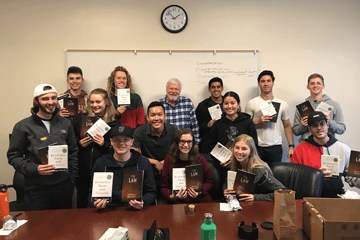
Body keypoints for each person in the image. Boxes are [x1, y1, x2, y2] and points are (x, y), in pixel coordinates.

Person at [7, 84, 78, 210]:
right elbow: (13, 157)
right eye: (45, 99)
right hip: (36, 189)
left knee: (64, 226)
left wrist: (71, 180)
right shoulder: (23, 126)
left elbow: (73, 152)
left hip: (63, 188)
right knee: (37, 228)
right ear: (36, 101)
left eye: (53, 98)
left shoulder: (65, 123)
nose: (51, 102)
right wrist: (35, 168)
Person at [291, 111, 359, 197]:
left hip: (335, 196)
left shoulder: (344, 149)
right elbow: (293, 180)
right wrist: (315, 176)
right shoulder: (300, 150)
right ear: (309, 128)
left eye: (322, 124)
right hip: (309, 197)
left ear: (327, 124)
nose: (319, 128)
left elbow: (353, 178)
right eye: (314, 125)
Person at [71, 88, 118, 208]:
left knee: (101, 204)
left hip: (103, 172)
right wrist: (79, 144)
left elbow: (119, 146)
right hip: (82, 171)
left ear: (106, 102)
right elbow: (69, 140)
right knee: (82, 203)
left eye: (98, 102)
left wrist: (105, 144)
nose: (94, 105)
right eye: (92, 102)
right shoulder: (80, 118)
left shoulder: (114, 121)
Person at [90, 125, 157, 209]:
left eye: (125, 140)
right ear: (111, 141)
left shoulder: (143, 162)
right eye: (116, 139)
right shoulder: (100, 163)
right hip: (109, 211)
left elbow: (152, 192)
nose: (121, 143)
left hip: (135, 210)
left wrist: (143, 201)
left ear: (132, 142)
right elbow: (91, 195)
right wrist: (96, 203)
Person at [209, 91, 258, 186]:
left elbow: (254, 145)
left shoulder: (248, 122)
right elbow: (211, 146)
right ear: (222, 105)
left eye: (232, 103)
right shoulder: (217, 124)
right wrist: (220, 161)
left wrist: (237, 160)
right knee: (226, 192)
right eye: (226, 103)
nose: (229, 106)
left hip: (245, 167)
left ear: (238, 104)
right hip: (223, 168)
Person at [245, 70, 294, 164]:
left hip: (275, 147)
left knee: (274, 175)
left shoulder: (282, 104)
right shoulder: (252, 103)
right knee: (257, 175)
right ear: (259, 84)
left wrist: (291, 146)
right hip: (256, 146)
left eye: (268, 81)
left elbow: (287, 125)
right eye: (262, 81)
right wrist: (258, 121)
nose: (266, 84)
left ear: (273, 83)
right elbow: (245, 125)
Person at [224, 134, 285, 201]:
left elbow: (283, 193)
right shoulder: (235, 165)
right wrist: (226, 192)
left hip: (259, 207)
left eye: (244, 149)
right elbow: (227, 185)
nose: (239, 152)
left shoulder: (260, 170)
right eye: (237, 148)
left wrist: (256, 197)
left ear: (251, 151)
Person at [132, 101, 177, 191]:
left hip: (169, 167)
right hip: (147, 168)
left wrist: (163, 163)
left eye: (159, 115)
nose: (156, 118)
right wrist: (155, 162)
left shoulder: (173, 129)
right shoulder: (140, 131)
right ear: (147, 117)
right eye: (152, 115)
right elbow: (133, 154)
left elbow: (177, 151)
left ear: (165, 116)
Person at [160, 129, 213, 204]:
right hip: (177, 202)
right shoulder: (169, 161)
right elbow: (163, 187)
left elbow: (209, 182)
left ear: (193, 143)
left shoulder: (200, 159)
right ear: (177, 143)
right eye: (182, 141)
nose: (186, 145)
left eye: (189, 142)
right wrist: (172, 196)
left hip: (200, 200)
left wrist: (199, 192)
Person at [293, 73, 346, 143]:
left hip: (327, 146)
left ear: (323, 86)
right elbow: (296, 131)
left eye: (318, 83)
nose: (315, 86)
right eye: (312, 83)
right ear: (307, 87)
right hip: (307, 145)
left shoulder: (334, 105)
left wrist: (330, 122)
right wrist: (302, 125)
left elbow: (342, 130)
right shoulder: (302, 107)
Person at [159, 78, 200, 145]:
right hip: (166, 144)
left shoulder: (187, 103)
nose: (173, 91)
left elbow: (194, 125)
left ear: (180, 90)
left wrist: (196, 143)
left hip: (185, 144)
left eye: (176, 89)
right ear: (166, 90)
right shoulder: (160, 104)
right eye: (171, 88)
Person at [196, 77, 224, 154]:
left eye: (218, 87)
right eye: (213, 87)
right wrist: (207, 125)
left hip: (226, 143)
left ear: (222, 88)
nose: (216, 89)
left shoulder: (229, 104)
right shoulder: (202, 106)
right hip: (208, 145)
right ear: (209, 89)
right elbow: (196, 126)